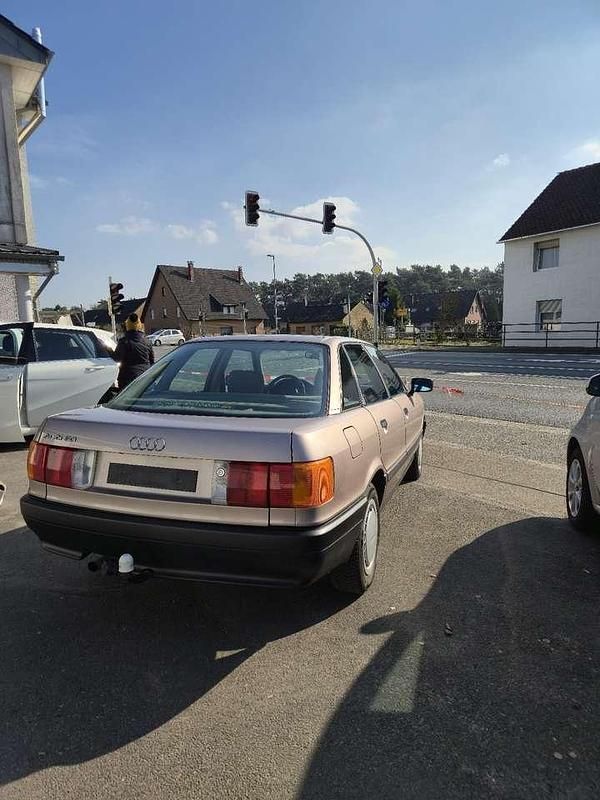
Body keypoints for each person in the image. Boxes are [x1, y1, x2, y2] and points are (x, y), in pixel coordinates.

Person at [114, 313, 154, 390]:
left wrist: (108, 350)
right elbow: (152, 361)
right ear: (140, 325)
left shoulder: (124, 341)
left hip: (128, 378)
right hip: (145, 376)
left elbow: (117, 358)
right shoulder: (147, 342)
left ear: (127, 326)